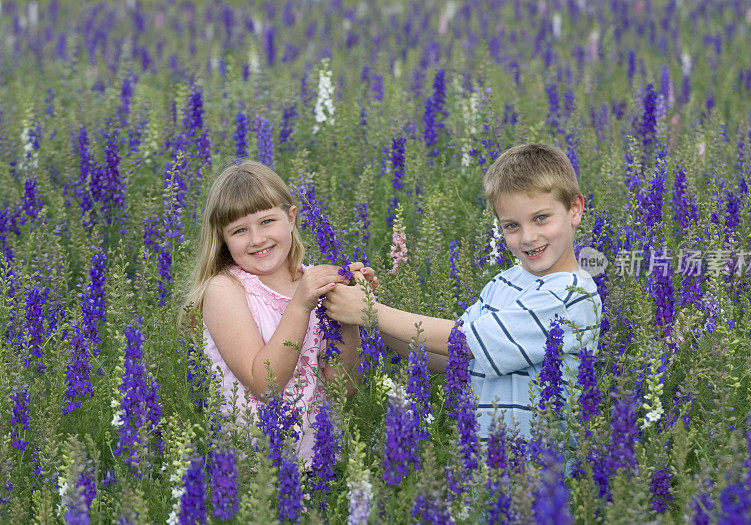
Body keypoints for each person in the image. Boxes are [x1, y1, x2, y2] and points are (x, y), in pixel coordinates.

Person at [323, 143, 602, 439]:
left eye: (541, 218)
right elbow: (451, 356)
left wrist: (371, 311)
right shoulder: (503, 282)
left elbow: (465, 341)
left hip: (540, 468)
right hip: (482, 463)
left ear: (575, 209)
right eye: (511, 225)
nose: (529, 237)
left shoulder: (572, 295)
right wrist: (366, 313)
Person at [181, 160, 368, 463]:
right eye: (240, 230)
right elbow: (264, 384)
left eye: (267, 221)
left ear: (291, 217)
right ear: (223, 239)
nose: (257, 239)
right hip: (255, 471)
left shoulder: (311, 283)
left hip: (320, 463)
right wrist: (301, 304)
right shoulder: (224, 291)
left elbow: (341, 386)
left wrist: (349, 307)